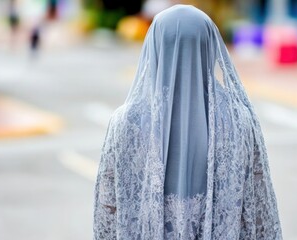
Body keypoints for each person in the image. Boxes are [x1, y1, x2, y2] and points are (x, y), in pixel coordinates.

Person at [93, 5, 282, 240]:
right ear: (210, 48)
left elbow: (108, 211)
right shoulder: (239, 122)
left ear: (154, 48)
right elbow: (258, 213)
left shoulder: (125, 122)